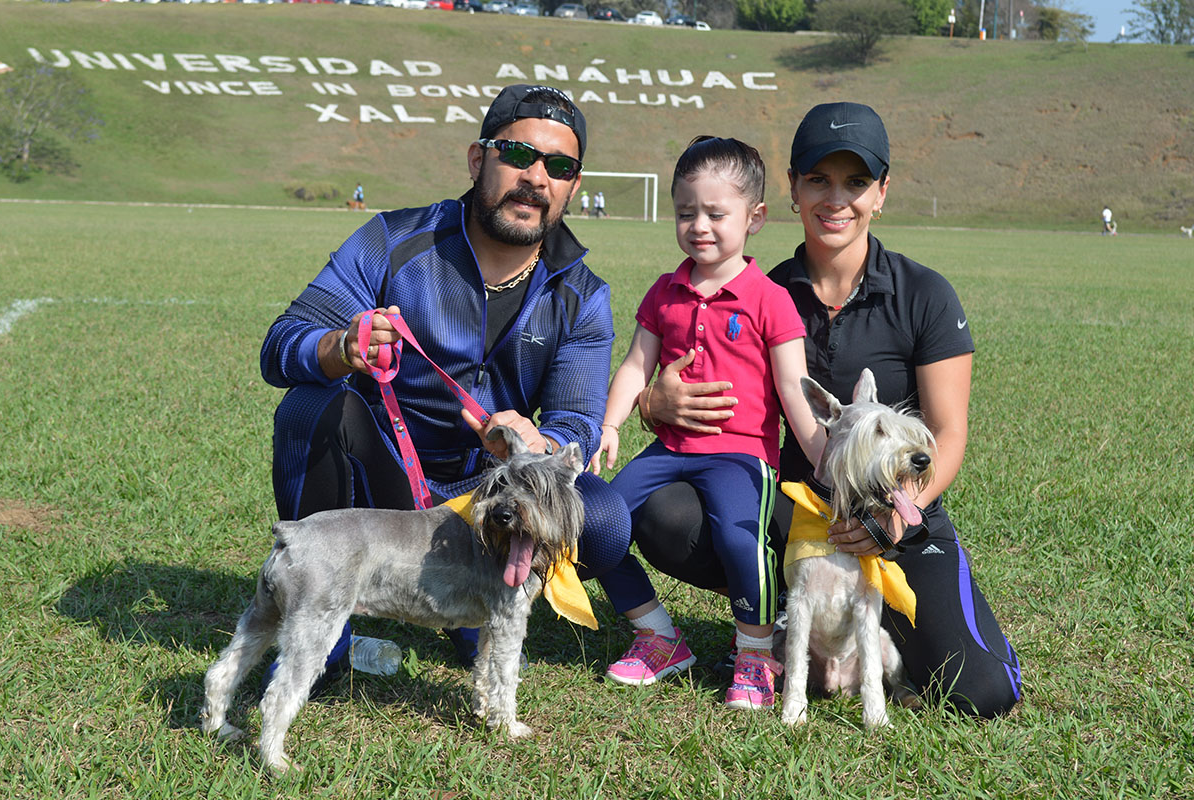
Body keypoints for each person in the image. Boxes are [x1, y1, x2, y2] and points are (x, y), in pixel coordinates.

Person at [628, 102, 1022, 719]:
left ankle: (887, 628)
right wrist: (654, 401)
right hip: (794, 516)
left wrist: (896, 523)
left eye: (856, 182)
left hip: (898, 519)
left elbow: (947, 432)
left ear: (882, 192)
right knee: (663, 513)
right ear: (791, 188)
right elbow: (676, 376)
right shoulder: (761, 288)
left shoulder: (924, 295)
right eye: (818, 179)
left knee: (982, 695)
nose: (836, 199)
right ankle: (767, 625)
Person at [260, 84, 632, 681]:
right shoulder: (392, 241)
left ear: (573, 186)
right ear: (477, 158)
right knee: (310, 408)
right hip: (390, 482)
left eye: (559, 167)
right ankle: (327, 644)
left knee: (607, 519)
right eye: (517, 154)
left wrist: (532, 439)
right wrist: (338, 347)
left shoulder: (583, 294)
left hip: (497, 496)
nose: (536, 177)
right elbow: (282, 345)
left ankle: (479, 608)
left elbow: (578, 424)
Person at [589, 137, 824, 711]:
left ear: (755, 217)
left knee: (740, 539)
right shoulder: (664, 293)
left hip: (741, 455)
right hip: (669, 449)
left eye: (717, 214)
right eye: (686, 212)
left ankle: (755, 655)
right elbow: (636, 365)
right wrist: (612, 424)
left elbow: (796, 393)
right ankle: (657, 636)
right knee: (595, 520)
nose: (700, 226)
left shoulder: (771, 300)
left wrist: (827, 458)